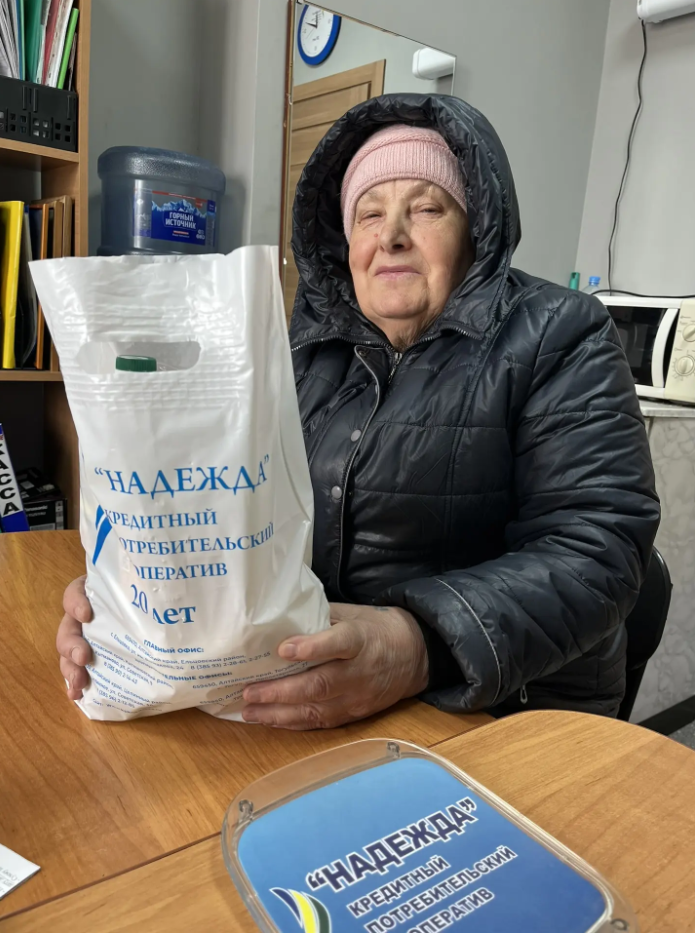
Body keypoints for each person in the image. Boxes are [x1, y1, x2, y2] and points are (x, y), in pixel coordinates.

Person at [58, 95, 659, 729]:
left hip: (505, 706)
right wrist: (135, 594)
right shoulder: (299, 348)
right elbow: (224, 504)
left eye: (426, 208)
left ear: (474, 229)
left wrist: (419, 646)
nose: (391, 235)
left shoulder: (561, 333)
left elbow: (598, 546)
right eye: (369, 213)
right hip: (318, 680)